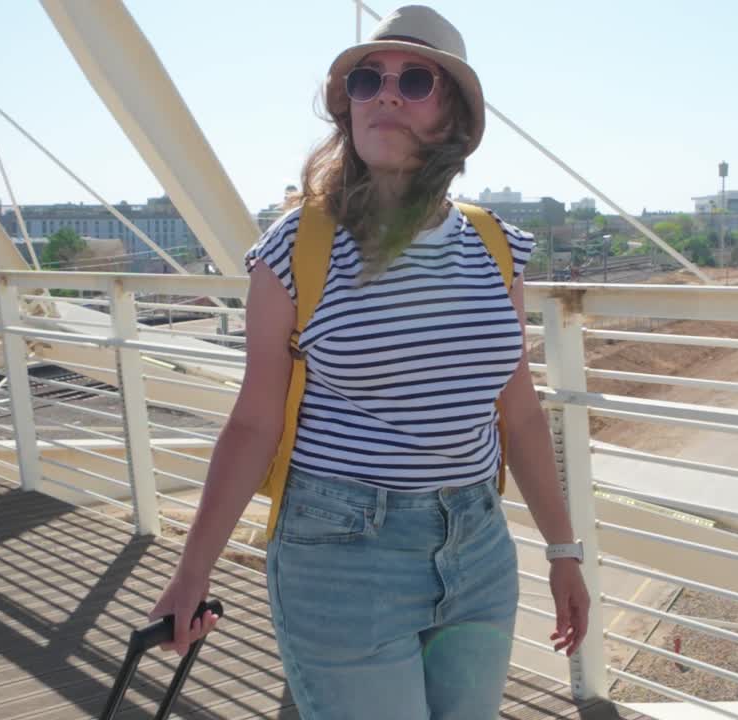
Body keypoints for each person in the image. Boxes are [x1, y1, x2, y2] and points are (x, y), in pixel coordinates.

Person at [147, 6, 591, 718]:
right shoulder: (295, 248)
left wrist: (563, 551)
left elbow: (520, 413)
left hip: (476, 546)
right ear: (346, 105)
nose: (387, 93)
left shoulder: (495, 247)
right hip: (342, 551)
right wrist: (191, 571)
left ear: (452, 120)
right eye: (367, 79)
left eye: (416, 80)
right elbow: (254, 421)